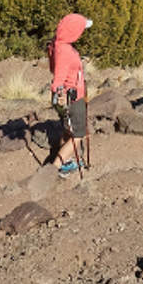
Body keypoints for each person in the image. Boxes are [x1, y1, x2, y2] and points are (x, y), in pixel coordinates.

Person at [49, 13, 92, 175]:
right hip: (71, 98)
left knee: (68, 129)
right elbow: (58, 79)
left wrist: (79, 61)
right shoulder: (65, 51)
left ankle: (65, 162)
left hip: (68, 97)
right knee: (78, 134)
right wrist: (60, 94)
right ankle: (54, 169)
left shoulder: (58, 44)